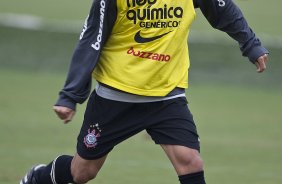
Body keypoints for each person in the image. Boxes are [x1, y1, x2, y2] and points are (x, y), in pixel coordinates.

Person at [20, 0, 269, 183]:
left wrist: (251, 45)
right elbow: (91, 40)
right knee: (82, 172)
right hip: (115, 97)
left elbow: (223, 10)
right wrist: (70, 95)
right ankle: (37, 178)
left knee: (190, 162)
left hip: (166, 96)